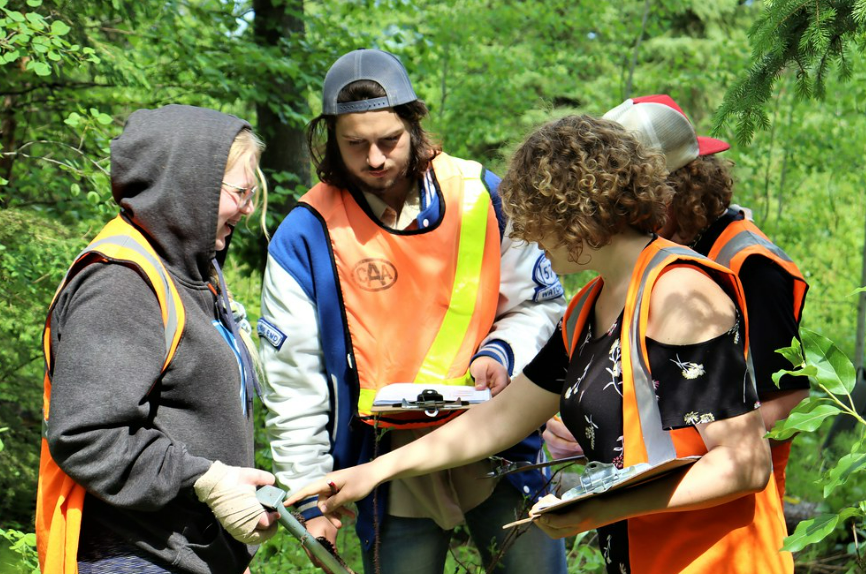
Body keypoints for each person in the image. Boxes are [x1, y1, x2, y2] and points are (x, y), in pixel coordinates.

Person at [286, 115, 795, 574]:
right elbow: (499, 418)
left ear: (577, 211)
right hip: (643, 555)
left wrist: (596, 508)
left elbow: (743, 463)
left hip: (716, 560)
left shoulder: (677, 292)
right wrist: (372, 472)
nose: (531, 238)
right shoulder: (585, 311)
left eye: (538, 220)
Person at [258, 48, 567, 574]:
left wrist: (501, 351)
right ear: (330, 139)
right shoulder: (305, 234)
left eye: (389, 141)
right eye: (355, 144)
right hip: (386, 461)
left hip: (495, 438)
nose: (374, 159)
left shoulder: (483, 196)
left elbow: (540, 305)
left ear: (414, 124)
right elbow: (294, 387)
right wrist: (310, 498)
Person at [35, 104, 278, 574]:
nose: (249, 209)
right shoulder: (122, 283)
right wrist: (205, 480)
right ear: (191, 187)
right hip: (134, 558)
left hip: (189, 555)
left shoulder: (192, 271)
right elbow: (86, 435)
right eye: (240, 191)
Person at [600, 94, 809, 499]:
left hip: (740, 498)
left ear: (672, 192)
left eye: (629, 203)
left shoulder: (750, 265)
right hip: (666, 490)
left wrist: (696, 449)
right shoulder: (665, 251)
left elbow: (792, 397)